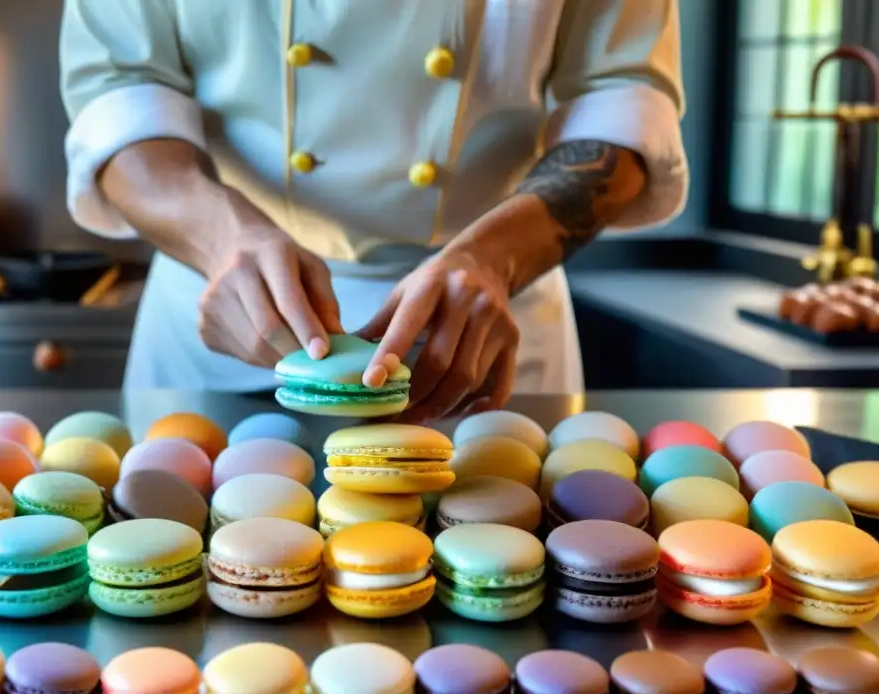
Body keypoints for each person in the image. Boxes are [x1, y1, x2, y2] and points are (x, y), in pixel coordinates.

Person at [60, 0, 686, 421]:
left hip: (486, 321)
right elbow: (120, 97)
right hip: (223, 310)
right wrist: (221, 239)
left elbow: (622, 101)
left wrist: (495, 260)